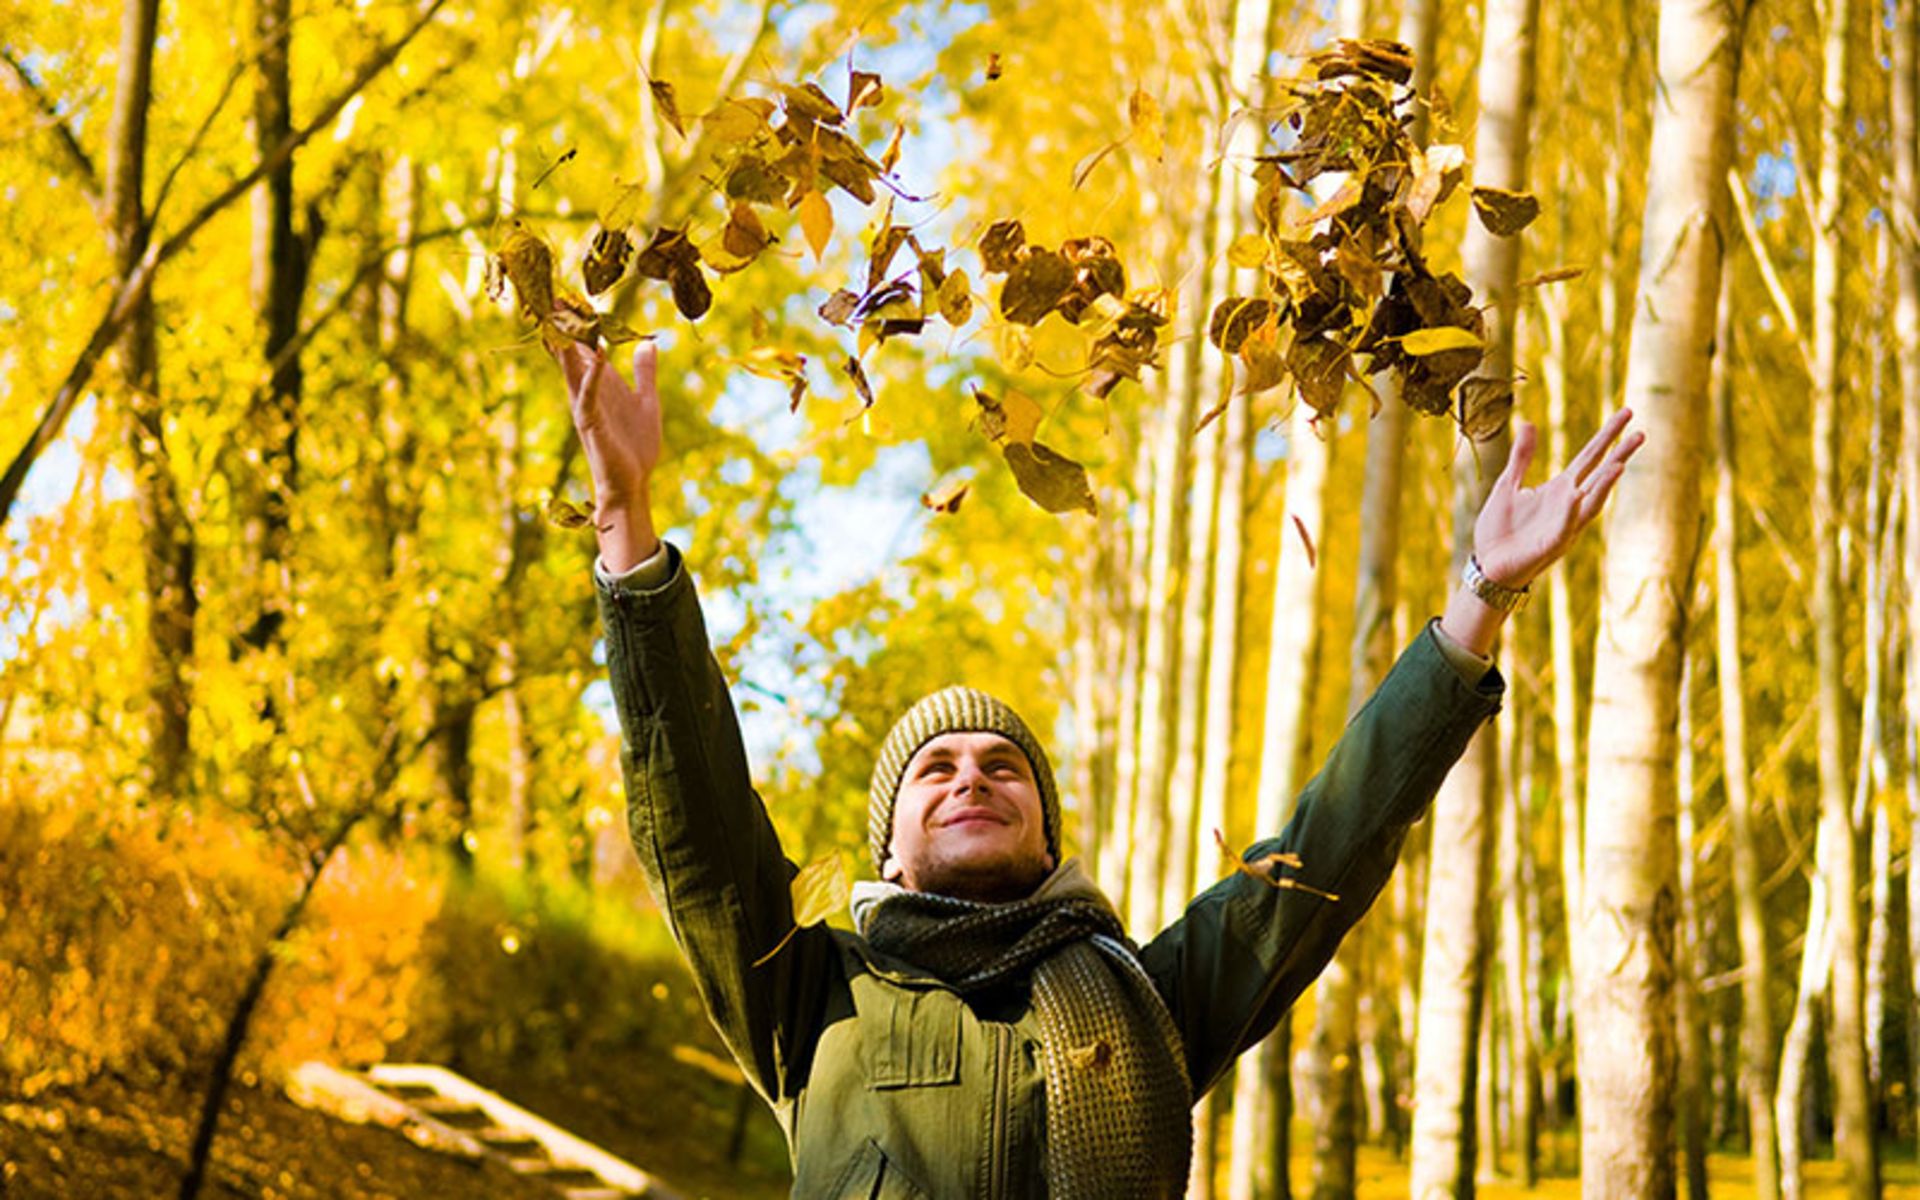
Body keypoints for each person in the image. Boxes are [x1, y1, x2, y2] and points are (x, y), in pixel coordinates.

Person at [558, 339, 1642, 1199]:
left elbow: (1331, 848)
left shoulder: (1154, 999)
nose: (971, 777)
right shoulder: (811, 991)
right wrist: (625, 527)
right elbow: (693, 821)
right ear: (890, 838)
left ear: (1049, 837)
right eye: (934, 768)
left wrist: (1477, 605)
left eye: (1002, 765)